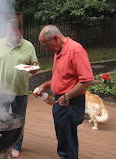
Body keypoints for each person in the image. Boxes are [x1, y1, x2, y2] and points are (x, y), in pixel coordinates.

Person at [34, 25, 94, 159]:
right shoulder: (59, 52)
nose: (46, 48)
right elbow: (60, 78)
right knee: (65, 140)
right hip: (61, 102)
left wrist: (66, 96)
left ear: (55, 38)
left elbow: (87, 80)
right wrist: (45, 85)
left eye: (46, 44)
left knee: (67, 145)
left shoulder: (75, 50)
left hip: (70, 103)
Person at [0, 18, 39, 158]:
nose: (14, 37)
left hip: (20, 91)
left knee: (18, 120)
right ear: (7, 32)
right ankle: (1, 143)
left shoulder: (28, 46)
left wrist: (33, 68)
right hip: (0, 91)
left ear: (20, 32)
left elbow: (34, 66)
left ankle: (16, 145)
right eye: (11, 34)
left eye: (16, 34)